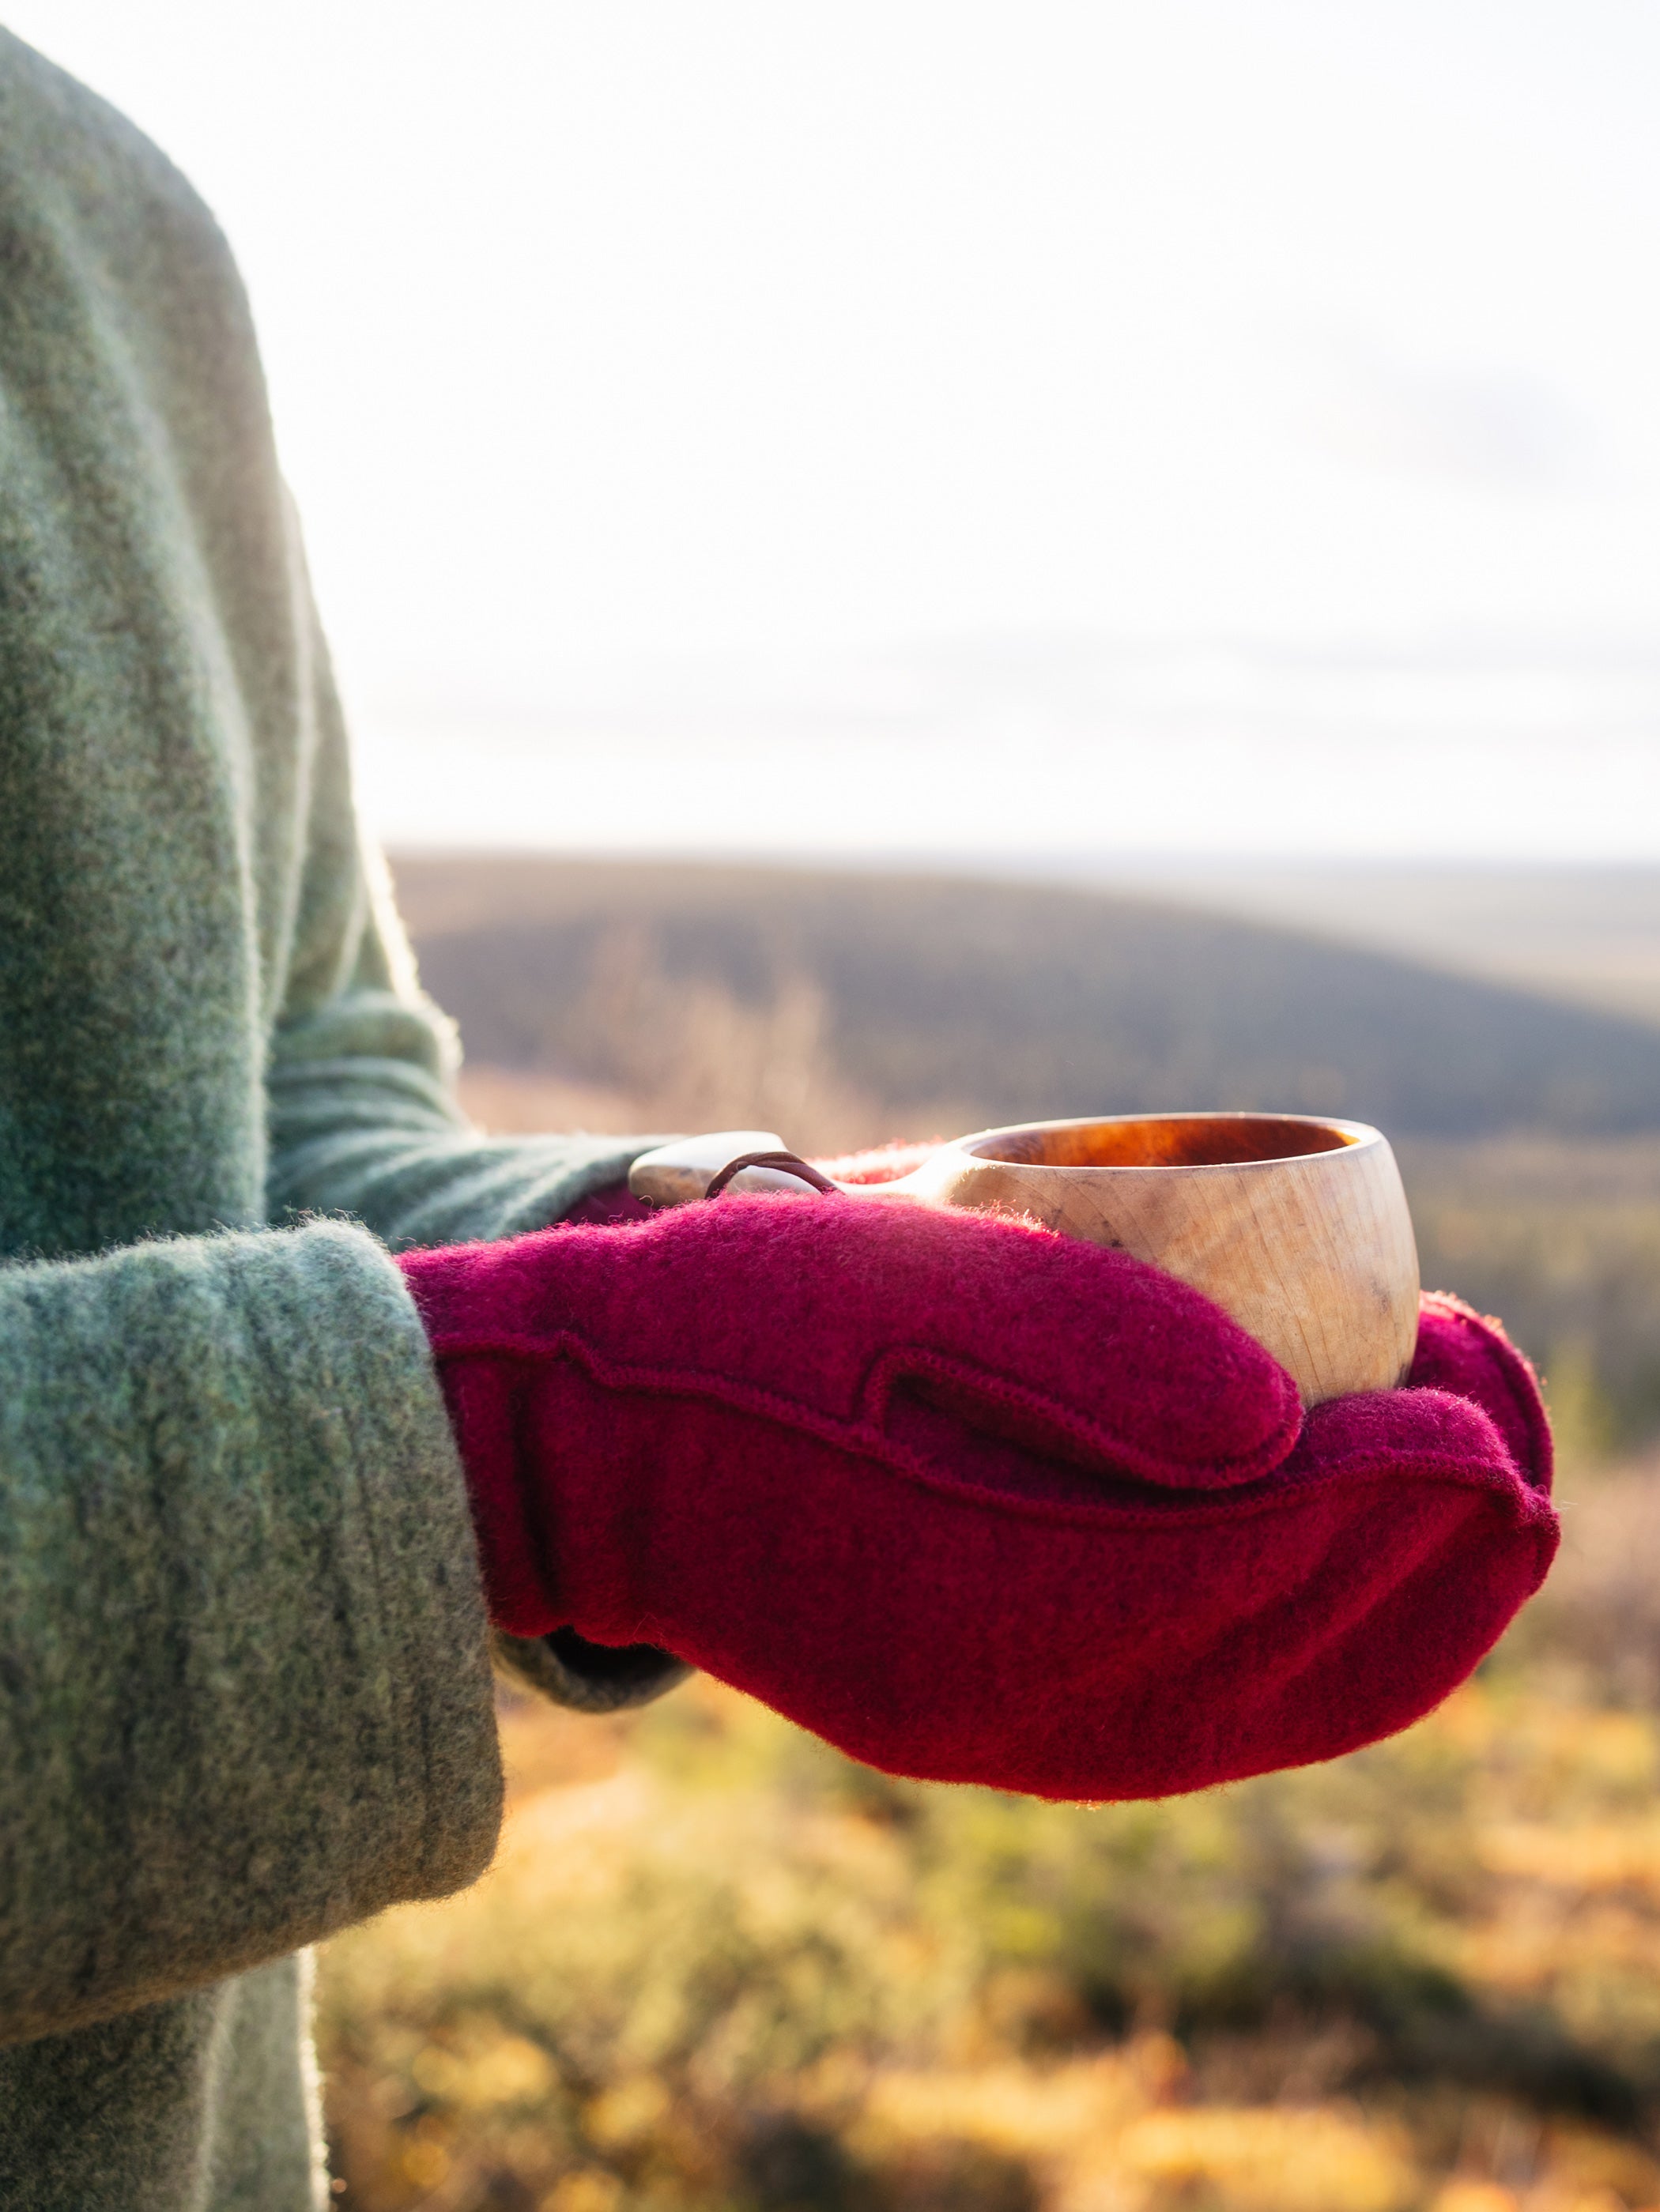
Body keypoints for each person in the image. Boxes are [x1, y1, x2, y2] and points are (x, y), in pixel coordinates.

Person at [0, 27, 1556, 2210]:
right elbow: (469, 1382)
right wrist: (533, 1443)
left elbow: (300, 1087)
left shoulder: (120, 226)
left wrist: (704, 1247)